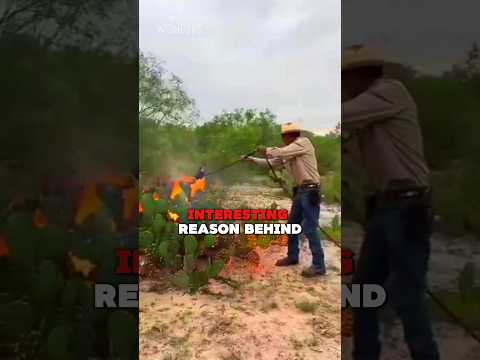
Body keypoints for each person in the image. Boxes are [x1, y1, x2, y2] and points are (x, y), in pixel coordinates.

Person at [342, 45, 440, 360]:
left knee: (407, 294)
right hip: (385, 208)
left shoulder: (389, 92)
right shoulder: (366, 115)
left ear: (357, 77)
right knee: (363, 291)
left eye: (343, 80)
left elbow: (341, 115)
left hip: (407, 205)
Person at [245, 122, 326, 277]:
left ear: (288, 136)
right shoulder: (288, 152)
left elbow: (278, 153)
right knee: (292, 225)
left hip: (310, 191)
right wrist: (252, 160)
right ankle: (293, 256)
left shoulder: (303, 143)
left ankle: (319, 265)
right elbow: (272, 163)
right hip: (301, 191)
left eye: (284, 136)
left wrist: (267, 150)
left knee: (309, 228)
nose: (284, 138)